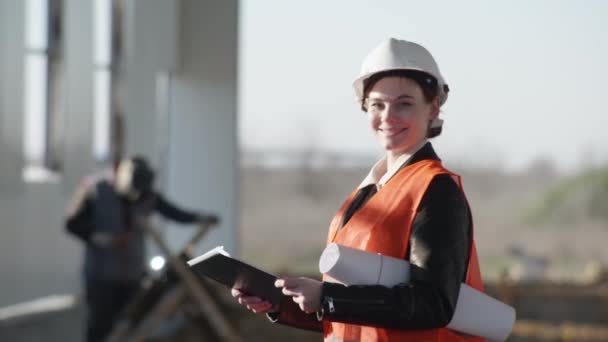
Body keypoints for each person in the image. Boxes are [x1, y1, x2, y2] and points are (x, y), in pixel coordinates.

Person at [232, 38, 485, 341]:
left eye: (404, 104)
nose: (388, 117)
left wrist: (326, 297)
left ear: (432, 108)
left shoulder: (437, 190)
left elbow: (433, 304)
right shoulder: (368, 193)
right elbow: (357, 316)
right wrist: (285, 302)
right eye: (377, 104)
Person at [65, 155, 219, 342]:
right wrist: (97, 237)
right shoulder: (96, 190)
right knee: (100, 325)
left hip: (132, 274)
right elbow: (72, 223)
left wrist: (200, 218)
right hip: (101, 276)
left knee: (130, 324)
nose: (137, 196)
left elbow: (175, 213)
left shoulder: (149, 197)